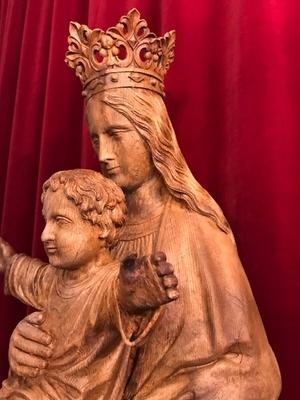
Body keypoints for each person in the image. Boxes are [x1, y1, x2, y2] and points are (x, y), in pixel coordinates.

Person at [6, 9, 281, 400]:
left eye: (117, 134)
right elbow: (65, 310)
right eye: (96, 137)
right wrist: (29, 343)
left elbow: (255, 372)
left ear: (152, 132)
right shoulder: (90, 226)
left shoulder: (197, 229)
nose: (103, 153)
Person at [0, 169, 179, 399]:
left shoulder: (107, 282)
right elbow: (25, 272)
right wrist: (5, 259)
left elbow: (123, 294)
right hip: (33, 390)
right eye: (46, 221)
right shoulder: (55, 277)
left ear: (102, 227)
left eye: (60, 221)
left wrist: (143, 285)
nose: (45, 235)